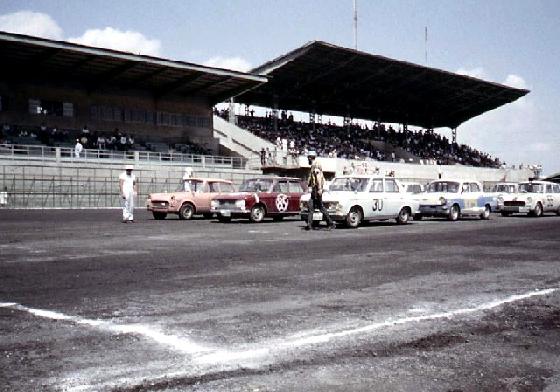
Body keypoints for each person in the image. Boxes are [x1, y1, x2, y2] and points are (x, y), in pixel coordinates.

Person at [306, 151, 335, 231]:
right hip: (314, 190)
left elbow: (318, 178)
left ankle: (330, 223)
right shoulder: (314, 165)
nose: (307, 159)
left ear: (310, 157)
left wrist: (319, 189)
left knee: (320, 207)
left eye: (308, 157)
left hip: (316, 190)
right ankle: (309, 225)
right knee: (311, 206)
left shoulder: (316, 166)